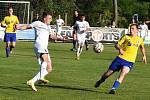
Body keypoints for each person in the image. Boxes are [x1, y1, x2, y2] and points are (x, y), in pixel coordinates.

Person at [94, 24, 147, 94]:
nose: (131, 30)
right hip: (120, 58)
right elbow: (116, 44)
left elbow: (142, 47)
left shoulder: (140, 39)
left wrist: (144, 56)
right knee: (107, 74)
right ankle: (100, 81)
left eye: (133, 29)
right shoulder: (126, 37)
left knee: (123, 73)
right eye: (130, 28)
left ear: (137, 30)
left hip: (130, 61)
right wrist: (120, 49)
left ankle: (113, 89)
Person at [17, 12, 63, 92]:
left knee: (49, 68)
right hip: (39, 44)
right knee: (45, 60)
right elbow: (28, 26)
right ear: (44, 18)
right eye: (49, 18)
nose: (51, 20)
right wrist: (19, 27)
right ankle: (41, 77)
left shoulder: (48, 27)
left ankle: (32, 81)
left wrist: (60, 38)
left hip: (44, 47)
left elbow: (51, 37)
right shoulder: (38, 23)